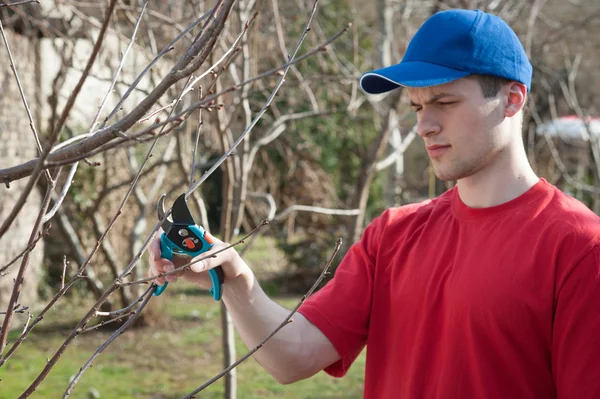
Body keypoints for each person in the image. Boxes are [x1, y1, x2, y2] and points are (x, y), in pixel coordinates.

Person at [148, 8, 600, 399]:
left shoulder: (580, 248)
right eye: (417, 107)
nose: (424, 125)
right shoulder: (393, 234)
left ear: (511, 99)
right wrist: (231, 275)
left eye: (443, 101)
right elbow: (294, 356)